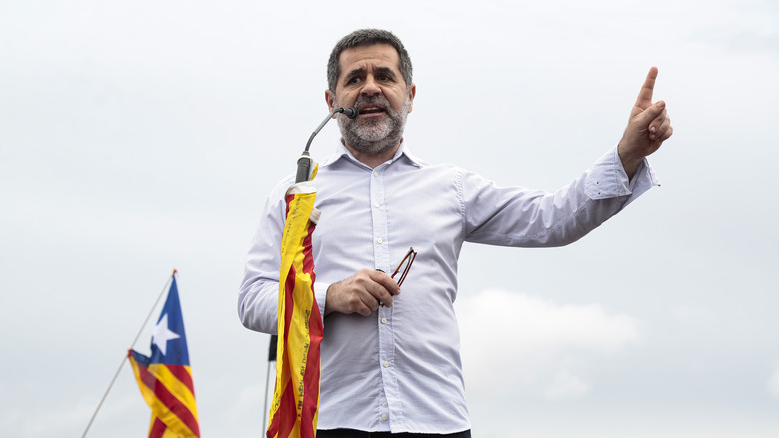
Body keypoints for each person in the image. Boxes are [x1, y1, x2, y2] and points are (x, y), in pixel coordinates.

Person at [238, 28, 672, 437]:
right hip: (329, 419)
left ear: (409, 95)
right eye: (355, 78)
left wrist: (625, 156)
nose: (370, 87)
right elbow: (252, 299)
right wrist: (327, 297)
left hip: (437, 420)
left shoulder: (452, 187)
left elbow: (551, 219)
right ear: (333, 99)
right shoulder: (295, 195)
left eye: (385, 76)